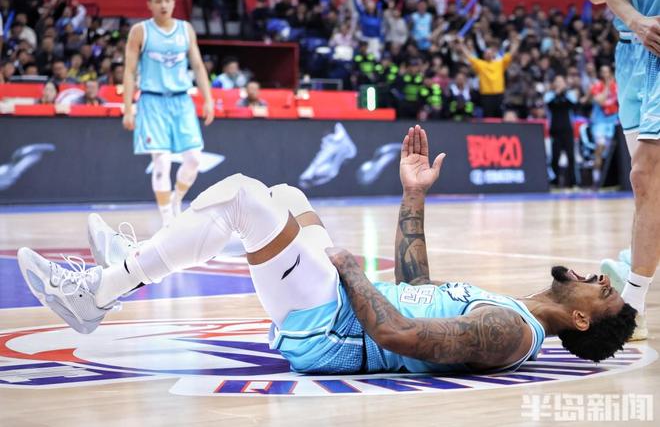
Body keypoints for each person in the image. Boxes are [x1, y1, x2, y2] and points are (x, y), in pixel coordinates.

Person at [18, 125, 636, 374]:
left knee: (243, 198)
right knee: (287, 194)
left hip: (333, 329)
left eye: (604, 291)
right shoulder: (511, 312)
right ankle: (128, 265)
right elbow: (417, 290)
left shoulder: (512, 332)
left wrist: (352, 272)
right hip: (342, 307)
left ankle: (102, 289)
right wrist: (413, 195)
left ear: (582, 320)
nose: (599, 278)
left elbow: (401, 335)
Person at [593, 0, 660, 340]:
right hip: (632, 51)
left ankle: (632, 304)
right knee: (647, 188)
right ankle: (632, 263)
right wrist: (635, 20)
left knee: (646, 176)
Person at [122, 0, 215, 227]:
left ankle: (177, 200)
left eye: (167, 0)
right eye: (158, 1)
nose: (163, 5)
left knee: (194, 159)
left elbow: (198, 66)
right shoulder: (140, 31)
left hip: (182, 100)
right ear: (149, 5)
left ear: (174, 3)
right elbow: (129, 71)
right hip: (152, 100)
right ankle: (167, 222)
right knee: (161, 161)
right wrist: (128, 108)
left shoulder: (186, 29)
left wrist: (208, 99)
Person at [458, 37, 519, 118]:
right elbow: (469, 56)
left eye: (490, 53)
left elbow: (510, 55)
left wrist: (516, 44)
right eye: (486, 53)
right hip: (486, 96)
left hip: (499, 95)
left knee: (499, 117)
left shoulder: (499, 64)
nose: (488, 54)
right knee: (488, 117)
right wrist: (461, 44)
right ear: (484, 55)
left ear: (494, 54)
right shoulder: (481, 64)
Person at [544, 75, 578, 188]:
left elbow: (573, 102)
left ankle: (573, 182)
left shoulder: (569, 94)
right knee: (555, 157)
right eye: (557, 81)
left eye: (561, 81)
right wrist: (556, 93)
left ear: (564, 83)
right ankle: (555, 182)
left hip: (567, 130)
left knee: (571, 156)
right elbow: (548, 103)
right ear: (554, 83)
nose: (559, 83)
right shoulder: (549, 95)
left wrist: (563, 93)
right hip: (555, 131)